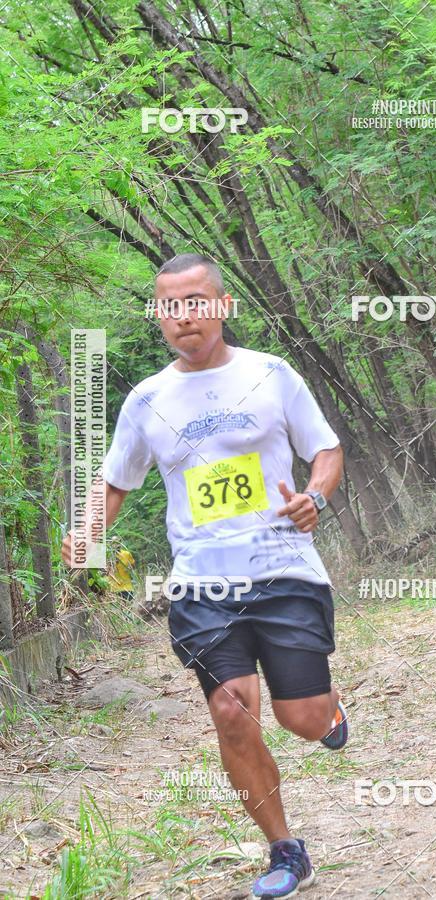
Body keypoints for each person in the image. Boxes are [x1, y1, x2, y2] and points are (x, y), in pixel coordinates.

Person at [62, 253, 348, 899]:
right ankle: (285, 851)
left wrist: (316, 497)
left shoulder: (270, 375)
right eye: (169, 305)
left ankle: (326, 714)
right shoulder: (148, 399)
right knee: (230, 708)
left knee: (299, 718)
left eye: (195, 301)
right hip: (200, 583)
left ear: (221, 305)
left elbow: (325, 447)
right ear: (159, 316)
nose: (183, 316)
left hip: (283, 570)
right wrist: (87, 532)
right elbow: (116, 479)